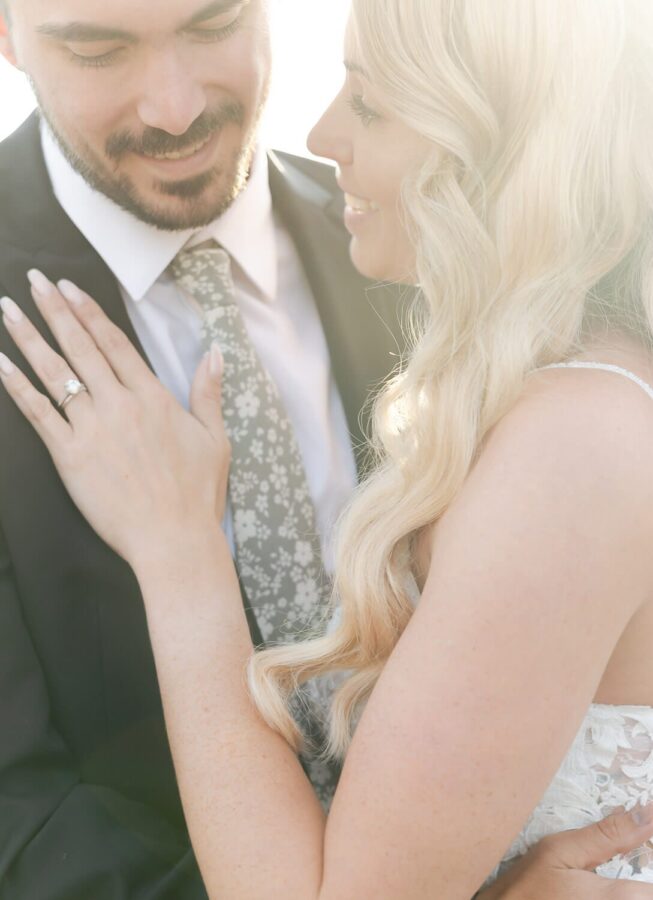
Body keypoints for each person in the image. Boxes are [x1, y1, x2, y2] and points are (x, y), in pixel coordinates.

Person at [0, 0, 649, 899]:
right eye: (100, 51)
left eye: (211, 25)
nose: (174, 107)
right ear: (8, 35)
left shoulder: (419, 249)